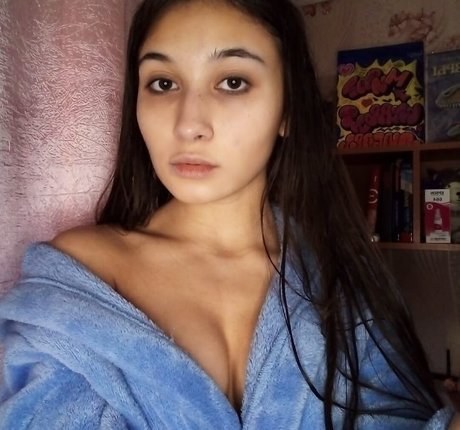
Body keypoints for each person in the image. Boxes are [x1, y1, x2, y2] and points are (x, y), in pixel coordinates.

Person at [0, 0, 458, 428]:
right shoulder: (82, 278)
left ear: (287, 110)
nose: (188, 125)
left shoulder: (336, 275)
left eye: (233, 82)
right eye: (163, 83)